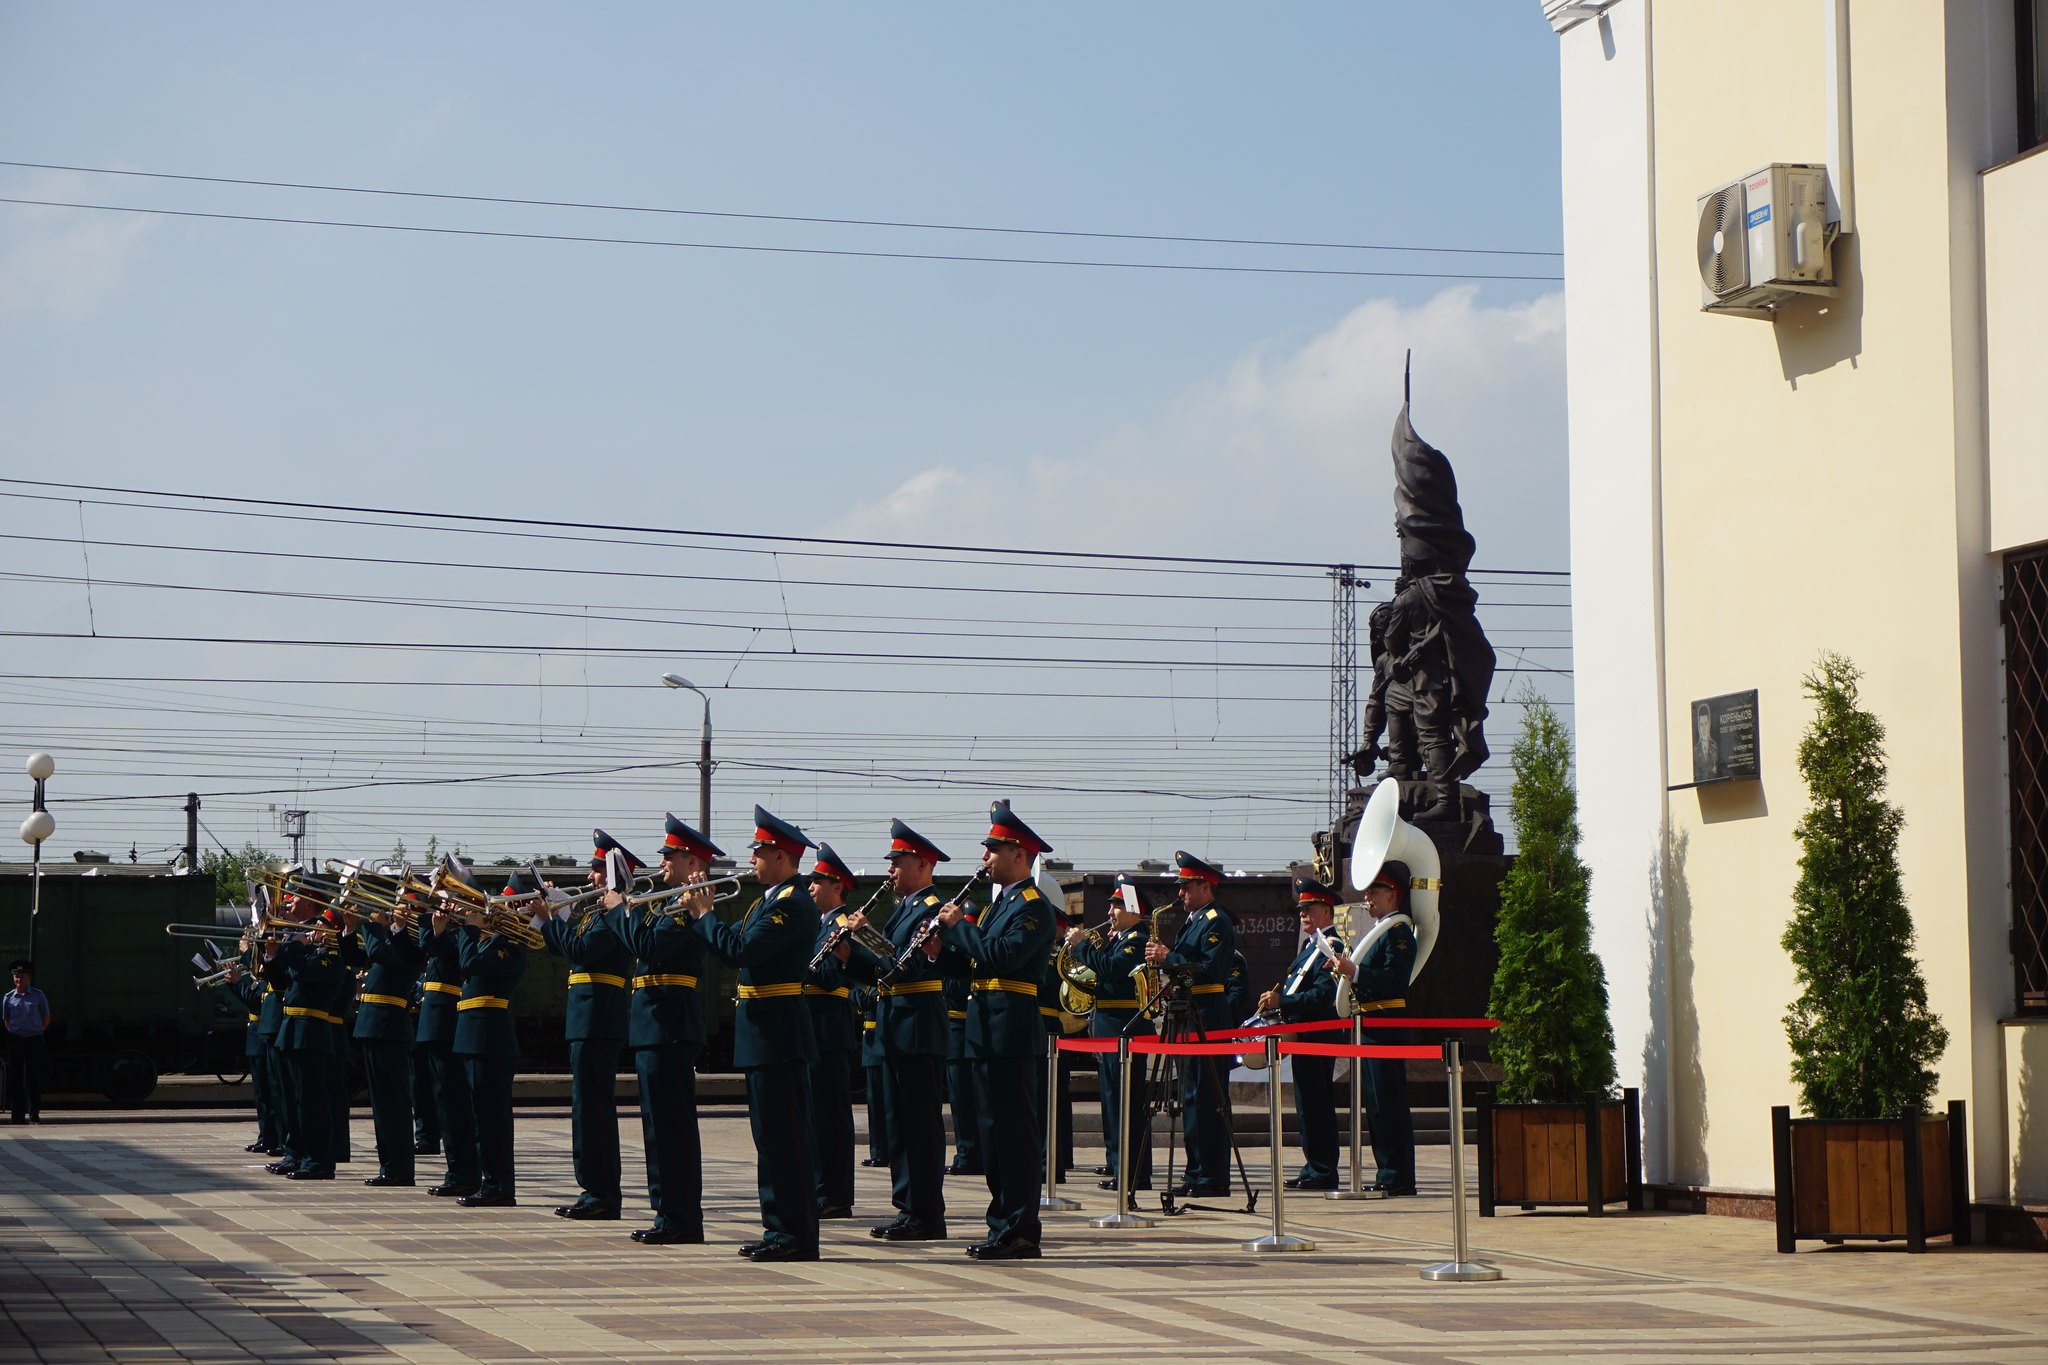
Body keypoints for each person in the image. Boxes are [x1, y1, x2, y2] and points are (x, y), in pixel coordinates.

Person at [688, 805, 821, 1263]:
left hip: (778, 1033)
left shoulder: (793, 905)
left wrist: (705, 914)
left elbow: (740, 951)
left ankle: (796, 1235)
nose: (753, 862)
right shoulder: (769, 901)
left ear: (782, 856)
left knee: (785, 1139)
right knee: (770, 1139)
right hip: (765, 1032)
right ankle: (779, 1228)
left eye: (760, 853)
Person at [932, 801, 1057, 1261]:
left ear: (1019, 854)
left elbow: (1000, 957)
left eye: (992, 849)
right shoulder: (993, 907)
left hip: (1011, 1033)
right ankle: (1000, 1224)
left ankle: (1021, 1229)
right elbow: (970, 962)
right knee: (992, 1135)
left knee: (1016, 1138)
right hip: (985, 1032)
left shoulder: (1033, 907)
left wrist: (959, 926)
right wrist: (936, 948)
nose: (985, 857)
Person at [842, 820, 952, 1243]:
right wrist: (849, 952)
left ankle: (925, 1213)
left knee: (920, 1126)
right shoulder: (906, 909)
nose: (891, 871)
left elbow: (905, 964)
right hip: (895, 1024)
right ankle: (908, 1207)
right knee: (899, 1124)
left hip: (917, 1024)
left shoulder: (932, 909)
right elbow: (879, 972)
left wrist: (863, 935)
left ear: (922, 864)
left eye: (898, 863)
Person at [606, 817, 713, 1245]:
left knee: (670, 1127)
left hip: (669, 1023)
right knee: (657, 1126)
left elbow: (648, 947)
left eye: (670, 858)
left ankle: (680, 1217)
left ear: (691, 860)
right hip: (655, 1023)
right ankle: (667, 1213)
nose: (663, 865)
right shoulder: (672, 903)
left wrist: (618, 911)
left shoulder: (691, 908)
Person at [537, 833, 636, 1221]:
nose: (591, 878)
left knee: (593, 1110)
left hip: (598, 1019)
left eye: (598, 871)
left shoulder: (616, 913)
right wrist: (559, 915)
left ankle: (602, 1193)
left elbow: (581, 951)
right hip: (588, 1018)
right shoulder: (597, 914)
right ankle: (593, 1189)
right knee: (585, 1109)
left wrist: (549, 920)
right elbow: (571, 948)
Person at [1143, 850, 1237, 1198]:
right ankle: (1196, 1171)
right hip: (1188, 1014)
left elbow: (1208, 969)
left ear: (1205, 885)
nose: (1180, 893)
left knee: (1207, 1097)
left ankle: (1211, 1176)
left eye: (1186, 886)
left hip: (1207, 1015)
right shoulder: (1195, 920)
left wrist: (1169, 957)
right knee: (1191, 1097)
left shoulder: (1216, 920)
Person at [1330, 860, 1419, 1196]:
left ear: (1392, 894)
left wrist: (1355, 972)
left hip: (1385, 1025)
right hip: (1370, 1024)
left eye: (1374, 890)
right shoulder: (1380, 931)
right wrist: (1346, 972)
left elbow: (1395, 981)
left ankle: (1398, 1176)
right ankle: (1388, 1173)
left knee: (1389, 1104)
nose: (1368, 897)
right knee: (1377, 1105)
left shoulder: (1397, 933)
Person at [1065, 879, 1153, 1191]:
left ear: (1134, 911)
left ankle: (1134, 1172)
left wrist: (1081, 945)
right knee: (1112, 1101)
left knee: (1126, 1103)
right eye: (1111, 905)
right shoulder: (1121, 938)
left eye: (1117, 906)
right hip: (1109, 1027)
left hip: (1123, 1027)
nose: (1110, 911)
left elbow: (1110, 969)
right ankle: (1119, 1163)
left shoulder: (1136, 940)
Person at [1258, 877, 1344, 1191]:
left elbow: (1323, 996)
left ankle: (1324, 1170)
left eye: (1310, 908)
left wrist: (1285, 1001)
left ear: (1327, 911)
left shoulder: (1331, 947)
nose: (1303, 914)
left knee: (1317, 1102)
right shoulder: (1311, 948)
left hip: (1319, 1034)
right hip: (1303, 1033)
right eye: (1301, 909)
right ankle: (1313, 1165)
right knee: (1307, 1103)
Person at [451, 864, 528, 1207]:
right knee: (480, 1116)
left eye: (501, 909)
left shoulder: (508, 948)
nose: (491, 915)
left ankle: (499, 1186)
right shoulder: (489, 944)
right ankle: (489, 1181)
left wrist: (468, 929)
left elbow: (468, 966)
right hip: (474, 1036)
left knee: (492, 1118)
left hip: (489, 1038)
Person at [262, 897, 348, 1180]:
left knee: (312, 1101)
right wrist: (273, 955)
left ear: (333, 931)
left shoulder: (331, 958)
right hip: (292, 1030)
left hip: (311, 1031)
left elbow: (304, 974)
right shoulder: (311, 954)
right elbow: (280, 982)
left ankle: (319, 1161)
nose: (313, 931)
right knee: (293, 1099)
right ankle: (295, 1153)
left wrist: (296, 946)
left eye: (320, 926)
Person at [800, 843, 859, 1220]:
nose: (810, 887)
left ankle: (835, 1194)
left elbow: (828, 976)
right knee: (813, 1115)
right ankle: (820, 1187)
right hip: (812, 1026)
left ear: (836, 885)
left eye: (818, 881)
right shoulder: (818, 925)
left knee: (830, 1117)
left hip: (828, 1027)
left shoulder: (841, 927)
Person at [353, 889, 427, 1187]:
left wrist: (374, 926)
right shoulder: (391, 939)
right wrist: (348, 928)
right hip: (375, 1026)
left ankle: (399, 1169)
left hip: (389, 1026)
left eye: (402, 907)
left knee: (393, 1104)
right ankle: (390, 1165)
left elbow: (379, 953)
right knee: (382, 1104)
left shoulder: (413, 944)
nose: (395, 911)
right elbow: (356, 956)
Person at [418, 883, 478, 1198]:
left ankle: (463, 1173)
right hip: (436, 1022)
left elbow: (454, 960)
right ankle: (457, 1171)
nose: (443, 906)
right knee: (444, 1103)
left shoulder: (467, 933)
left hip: (447, 1022)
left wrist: (439, 931)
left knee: (453, 1103)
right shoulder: (454, 932)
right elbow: (428, 946)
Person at [3, 959, 51, 1124]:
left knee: (33, 1075)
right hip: (16, 1039)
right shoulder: (8, 998)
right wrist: (16, 1032)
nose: (19, 980)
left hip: (34, 1039)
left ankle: (34, 1112)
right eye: (16, 977)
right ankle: (17, 1114)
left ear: (28, 978)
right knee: (15, 1076)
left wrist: (36, 1030)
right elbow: (6, 1020)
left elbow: (46, 1018)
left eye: (22, 976)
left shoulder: (38, 996)